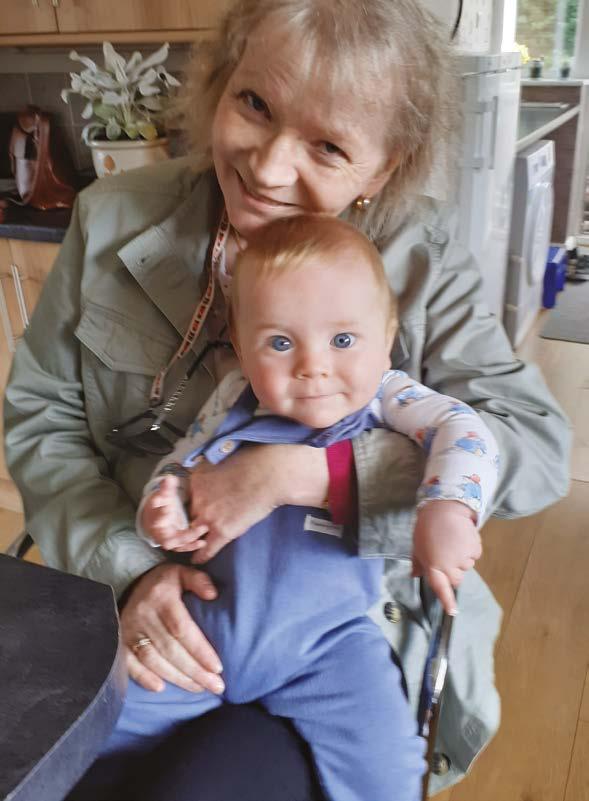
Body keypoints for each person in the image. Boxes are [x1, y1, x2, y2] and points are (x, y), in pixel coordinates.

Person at [4, 0, 570, 797]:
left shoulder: (423, 257)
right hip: (133, 602)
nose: (267, 168)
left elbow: (534, 445)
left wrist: (301, 474)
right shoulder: (112, 217)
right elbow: (44, 419)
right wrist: (132, 570)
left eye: (328, 146)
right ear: (219, 83)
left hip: (336, 634)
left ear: (384, 166)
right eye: (254, 104)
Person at [119, 215, 499, 801]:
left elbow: (464, 430)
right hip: (205, 630)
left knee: (388, 769)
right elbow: (182, 460)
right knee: (82, 723)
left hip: (330, 648)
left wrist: (447, 508)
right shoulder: (231, 396)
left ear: (387, 334)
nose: (312, 366)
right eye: (279, 343)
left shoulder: (387, 395)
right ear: (241, 346)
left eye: (343, 340)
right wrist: (163, 502)